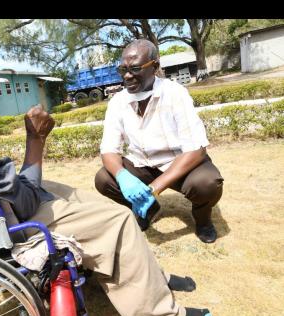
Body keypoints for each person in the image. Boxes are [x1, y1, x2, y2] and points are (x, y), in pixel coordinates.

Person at [0, 36, 213, 316]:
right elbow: (27, 200)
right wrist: (35, 141)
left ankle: (149, 275)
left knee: (74, 194)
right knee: (119, 218)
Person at [95, 39, 224, 243]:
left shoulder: (174, 93)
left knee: (207, 183)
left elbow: (196, 149)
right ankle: (145, 209)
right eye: (123, 69)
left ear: (154, 67)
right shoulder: (117, 102)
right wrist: (122, 176)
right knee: (104, 179)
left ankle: (203, 220)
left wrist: (154, 188)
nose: (127, 76)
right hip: (141, 164)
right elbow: (109, 150)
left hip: (177, 163)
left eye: (135, 68)